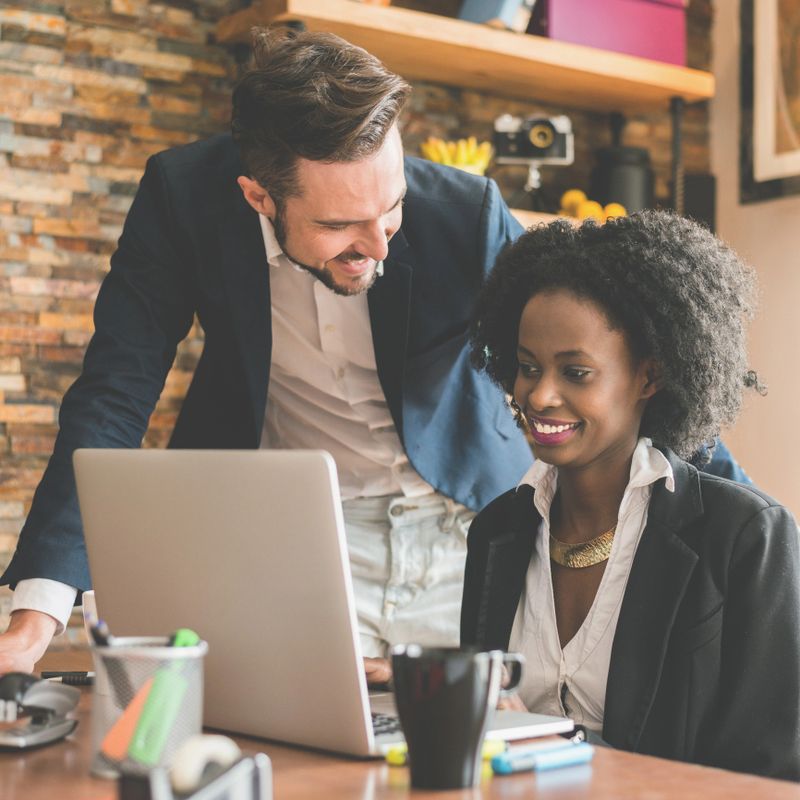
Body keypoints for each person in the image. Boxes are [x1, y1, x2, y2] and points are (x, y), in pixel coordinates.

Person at [0, 29, 746, 675]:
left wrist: (755, 531)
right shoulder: (181, 198)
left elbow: (619, 359)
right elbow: (113, 395)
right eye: (343, 226)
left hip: (463, 532)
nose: (380, 242)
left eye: (390, 207)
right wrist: (38, 611)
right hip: (291, 540)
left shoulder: (462, 213)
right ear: (259, 196)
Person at [461, 211, 800, 780]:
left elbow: (773, 769)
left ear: (650, 377)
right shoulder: (496, 531)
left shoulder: (747, 537)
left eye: (576, 372)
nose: (539, 395)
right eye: (526, 367)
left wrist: (559, 753)